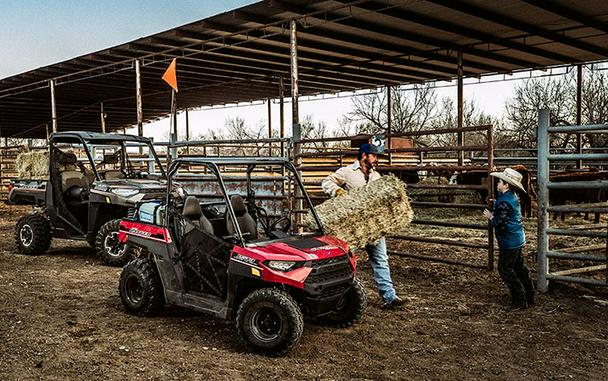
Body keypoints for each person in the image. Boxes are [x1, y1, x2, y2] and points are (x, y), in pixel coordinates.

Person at [321, 143, 404, 309]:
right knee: (346, 261)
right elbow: (326, 182)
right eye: (374, 156)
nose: (376, 160)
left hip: (373, 227)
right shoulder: (347, 172)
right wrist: (337, 191)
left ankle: (389, 297)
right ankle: (340, 297)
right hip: (353, 228)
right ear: (364, 155)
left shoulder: (376, 176)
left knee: (380, 259)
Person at [483, 168, 535, 310]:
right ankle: (529, 294)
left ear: (506, 185)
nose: (497, 183)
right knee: (519, 267)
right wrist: (496, 202)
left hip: (509, 241)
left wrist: (491, 216)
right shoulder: (512, 196)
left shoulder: (505, 202)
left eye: (500, 181)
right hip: (517, 238)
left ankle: (519, 300)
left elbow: (501, 222)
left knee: (505, 269)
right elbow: (506, 210)